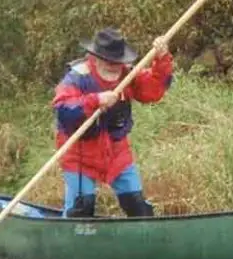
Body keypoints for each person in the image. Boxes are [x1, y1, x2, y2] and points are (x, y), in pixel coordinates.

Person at [52, 27, 173, 218]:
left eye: (118, 61)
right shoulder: (77, 77)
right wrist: (95, 100)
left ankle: (143, 238)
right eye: (109, 61)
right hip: (80, 155)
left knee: (138, 206)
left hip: (117, 153)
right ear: (96, 56)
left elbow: (154, 91)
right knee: (81, 209)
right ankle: (71, 239)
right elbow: (63, 111)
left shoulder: (129, 75)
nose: (114, 65)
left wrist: (162, 58)